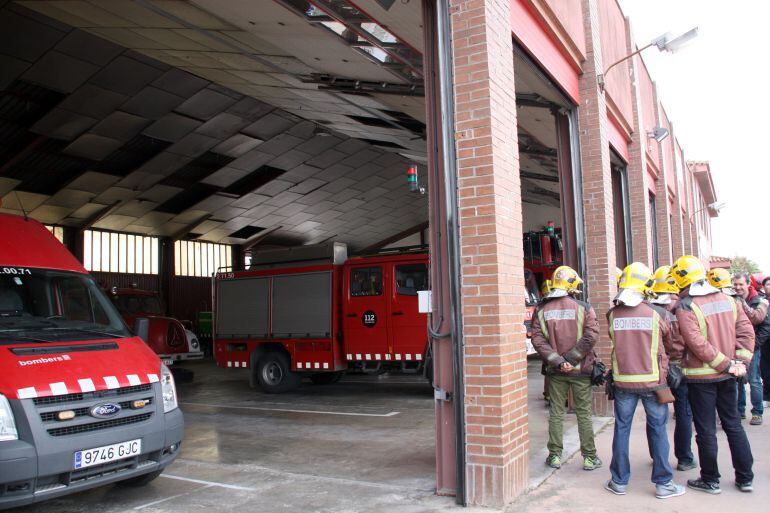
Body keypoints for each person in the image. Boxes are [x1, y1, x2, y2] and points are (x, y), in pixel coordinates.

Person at [672, 256, 755, 494]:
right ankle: (745, 478)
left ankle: (710, 479)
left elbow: (697, 344)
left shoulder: (686, 306)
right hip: (729, 376)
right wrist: (740, 362)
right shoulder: (729, 299)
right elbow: (746, 332)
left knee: (706, 430)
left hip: (702, 378)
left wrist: (727, 364)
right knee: (733, 426)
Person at [605, 263, 684, 499]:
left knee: (621, 430)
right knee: (658, 430)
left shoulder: (612, 314)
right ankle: (664, 484)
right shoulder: (658, 313)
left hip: (623, 383)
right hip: (654, 384)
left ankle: (618, 481)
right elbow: (672, 346)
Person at [531, 265, 601, 471]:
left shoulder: (542, 310)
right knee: (584, 413)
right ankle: (589, 457)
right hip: (581, 371)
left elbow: (537, 340)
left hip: (556, 372)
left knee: (556, 413)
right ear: (571, 286)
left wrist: (559, 362)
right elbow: (591, 336)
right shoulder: (584, 308)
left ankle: (554, 456)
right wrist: (572, 359)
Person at [651, 265, 696, 472]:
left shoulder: (650, 310)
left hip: (657, 368)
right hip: (681, 367)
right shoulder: (684, 307)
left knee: (656, 414)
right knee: (683, 412)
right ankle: (685, 458)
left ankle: (657, 454)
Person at [732, 272, 768, 424]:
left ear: (748, 284)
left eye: (741, 284)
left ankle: (757, 412)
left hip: (753, 347)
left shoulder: (759, 301)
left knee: (753, 380)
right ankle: (740, 411)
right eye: (735, 284)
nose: (738, 287)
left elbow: (765, 326)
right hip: (736, 346)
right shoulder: (732, 299)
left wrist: (753, 345)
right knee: (738, 379)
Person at [762, 277, 770, 406]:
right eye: (768, 284)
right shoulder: (761, 301)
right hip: (765, 340)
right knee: (765, 370)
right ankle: (767, 396)